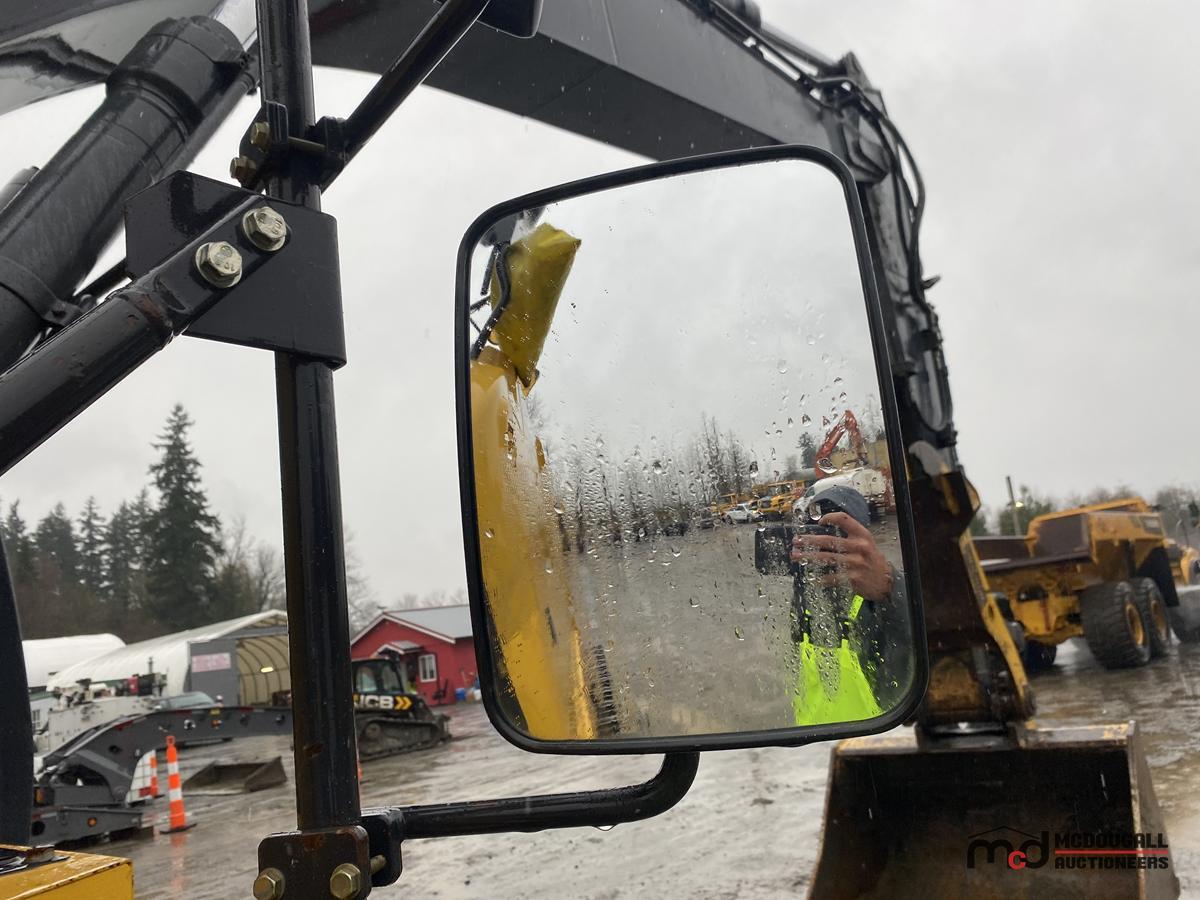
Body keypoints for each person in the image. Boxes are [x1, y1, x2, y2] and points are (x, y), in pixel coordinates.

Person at [788, 485, 907, 725]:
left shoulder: (879, 591)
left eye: (838, 534)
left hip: (874, 736)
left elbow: (917, 641)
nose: (827, 543)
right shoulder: (806, 593)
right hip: (811, 737)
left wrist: (890, 586)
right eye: (816, 531)